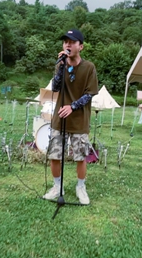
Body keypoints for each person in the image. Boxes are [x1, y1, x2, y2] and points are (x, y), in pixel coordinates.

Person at [42, 29, 99, 205]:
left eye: (72, 42)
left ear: (80, 46)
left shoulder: (89, 67)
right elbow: (56, 87)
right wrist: (61, 66)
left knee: (81, 156)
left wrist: (73, 106)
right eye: (65, 41)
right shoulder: (61, 65)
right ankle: (56, 187)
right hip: (60, 119)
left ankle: (80, 188)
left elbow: (90, 93)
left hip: (79, 119)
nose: (67, 44)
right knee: (54, 154)